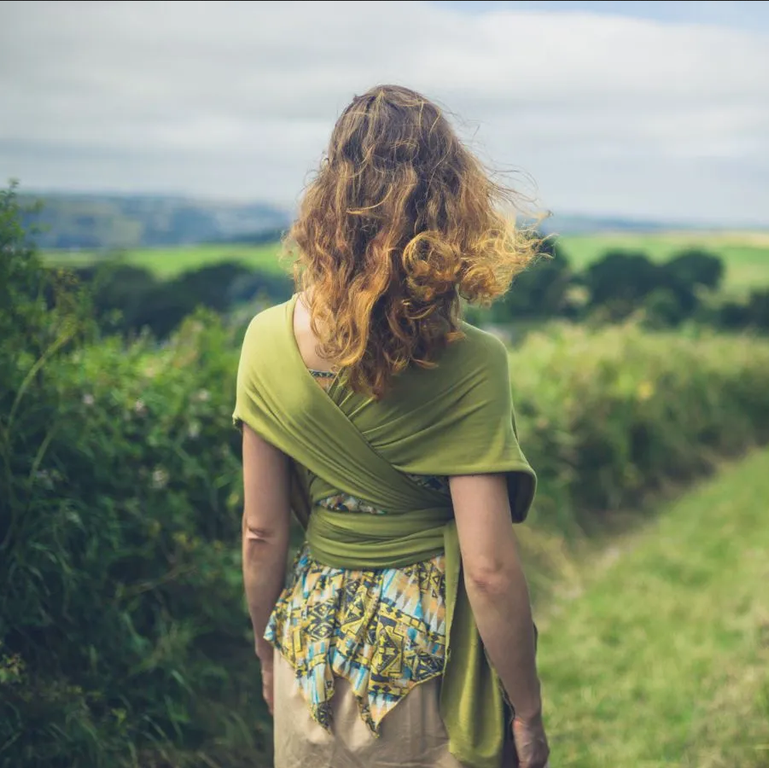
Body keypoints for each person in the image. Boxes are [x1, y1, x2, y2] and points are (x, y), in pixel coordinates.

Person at [233, 85, 550, 768]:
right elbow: (490, 570)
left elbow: (262, 534)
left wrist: (267, 651)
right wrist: (526, 710)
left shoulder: (264, 341)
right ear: (451, 202)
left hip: (308, 658)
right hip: (429, 663)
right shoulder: (472, 362)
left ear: (330, 197)